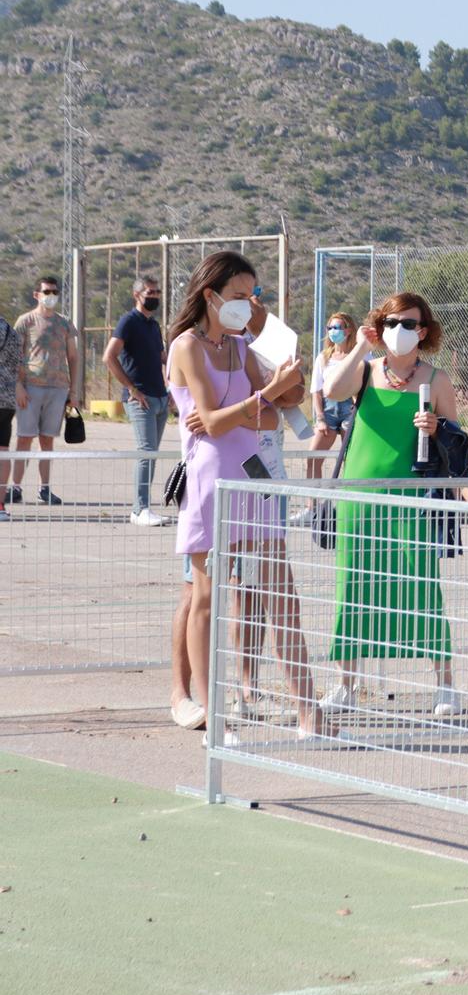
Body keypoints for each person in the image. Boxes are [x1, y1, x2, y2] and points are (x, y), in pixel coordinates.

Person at [161, 251, 319, 733]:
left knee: (280, 590)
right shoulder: (187, 347)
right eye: (238, 296)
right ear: (210, 294)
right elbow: (208, 422)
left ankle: (309, 709)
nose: (246, 305)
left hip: (252, 476)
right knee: (204, 593)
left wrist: (272, 391)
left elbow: (273, 415)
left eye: (252, 296)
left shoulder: (239, 347)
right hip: (210, 480)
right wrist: (265, 397)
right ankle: (208, 706)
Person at [317, 292, 461, 715]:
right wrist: (361, 344)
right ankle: (345, 684)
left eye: (410, 323)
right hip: (358, 498)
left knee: (421, 588)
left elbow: (457, 440)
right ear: (381, 326)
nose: (401, 330)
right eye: (393, 322)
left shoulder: (437, 380)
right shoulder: (364, 370)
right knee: (353, 589)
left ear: (425, 330)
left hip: (411, 499)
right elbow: (331, 389)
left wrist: (436, 427)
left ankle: (446, 685)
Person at [8, 276, 81, 507]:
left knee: (47, 440)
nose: (51, 296)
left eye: (54, 292)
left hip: (58, 388)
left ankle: (45, 489)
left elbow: (73, 358)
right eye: (47, 291)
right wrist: (17, 386)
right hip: (30, 388)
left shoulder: (65, 323)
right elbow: (14, 356)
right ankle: (16, 488)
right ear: (36, 294)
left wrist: (74, 391)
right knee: (24, 438)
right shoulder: (25, 321)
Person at [104, 276, 171, 526]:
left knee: (152, 454)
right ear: (137, 295)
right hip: (140, 398)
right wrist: (131, 389)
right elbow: (109, 357)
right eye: (149, 292)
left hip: (160, 398)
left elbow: (163, 358)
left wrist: (171, 388)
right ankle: (139, 508)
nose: (154, 296)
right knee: (145, 452)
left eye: (157, 292)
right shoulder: (128, 322)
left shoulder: (153, 326)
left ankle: (145, 508)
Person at [305, 313, 360, 485]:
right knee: (313, 458)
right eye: (330, 328)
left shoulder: (359, 355)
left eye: (337, 327)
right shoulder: (323, 357)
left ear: (349, 330)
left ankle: (347, 504)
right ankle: (312, 506)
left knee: (350, 461)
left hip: (350, 411)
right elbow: (316, 391)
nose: (332, 331)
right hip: (328, 412)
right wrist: (320, 418)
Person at [0, 310, 18, 523]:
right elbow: (17, 365)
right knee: (3, 451)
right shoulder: (11, 332)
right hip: (7, 399)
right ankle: (1, 505)